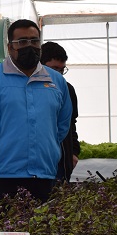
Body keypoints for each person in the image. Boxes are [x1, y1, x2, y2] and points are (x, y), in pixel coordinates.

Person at [0, 19, 72, 208]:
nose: (29, 46)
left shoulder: (56, 81)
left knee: (44, 226)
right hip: (2, 175)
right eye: (22, 42)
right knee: (2, 227)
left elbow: (63, 124)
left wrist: (47, 145)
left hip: (44, 173)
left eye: (34, 41)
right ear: (10, 47)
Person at [41, 41, 80, 182]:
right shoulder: (29, 89)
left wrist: (73, 152)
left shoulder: (67, 89)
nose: (59, 74)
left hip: (62, 161)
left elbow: (71, 123)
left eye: (62, 70)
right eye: (54, 69)